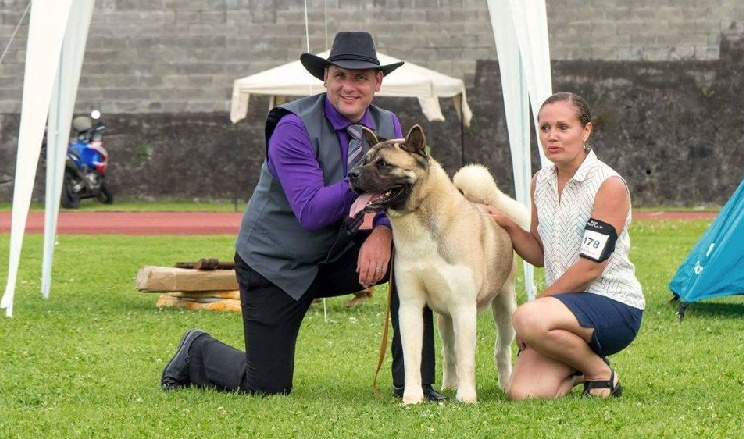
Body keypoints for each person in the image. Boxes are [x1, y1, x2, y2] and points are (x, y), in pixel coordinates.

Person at [160, 31, 444, 401]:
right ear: (324, 77)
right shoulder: (291, 126)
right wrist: (364, 176)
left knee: (412, 255)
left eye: (360, 77)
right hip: (275, 262)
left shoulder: (388, 123)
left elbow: (405, 190)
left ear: (378, 81)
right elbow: (310, 212)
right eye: (340, 75)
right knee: (267, 387)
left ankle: (414, 385)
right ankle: (197, 349)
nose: (349, 86)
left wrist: (384, 232)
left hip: (336, 253)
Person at [485, 92, 645, 400]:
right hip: (559, 314)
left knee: (527, 317)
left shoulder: (608, 185)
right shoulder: (539, 183)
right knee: (524, 393)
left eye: (563, 127)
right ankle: (582, 366)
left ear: (586, 131)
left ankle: (601, 375)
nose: (552, 136)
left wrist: (537, 309)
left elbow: (591, 267)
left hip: (613, 305)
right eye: (545, 128)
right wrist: (506, 223)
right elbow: (539, 254)